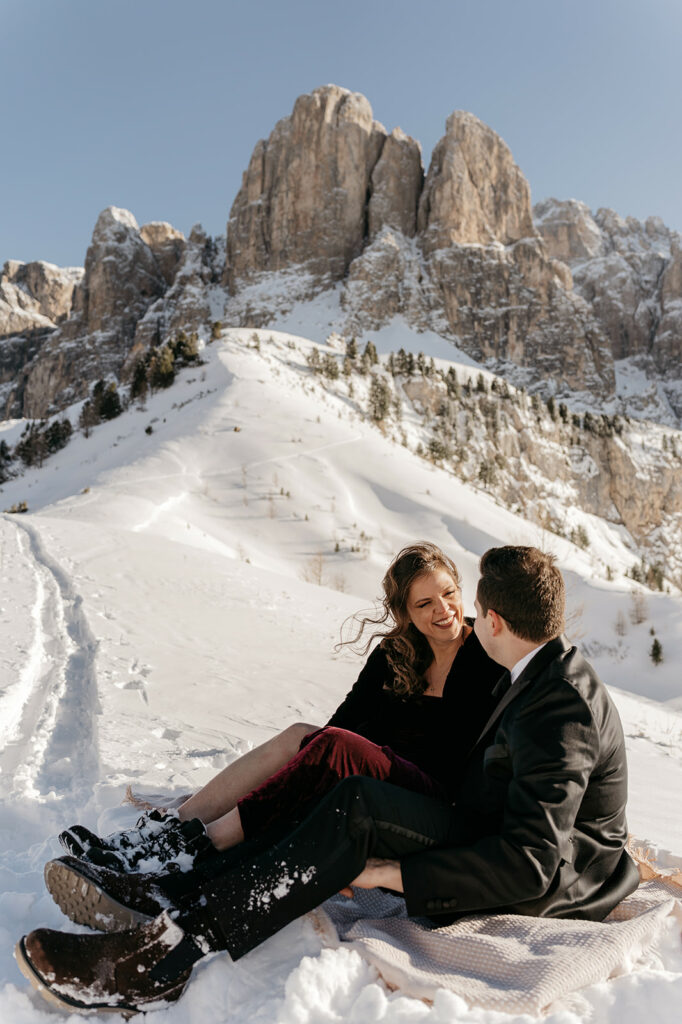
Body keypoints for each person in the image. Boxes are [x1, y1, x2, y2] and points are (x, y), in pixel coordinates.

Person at [16, 545, 640, 1015]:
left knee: (355, 809)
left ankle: (168, 954)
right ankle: (179, 897)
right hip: (482, 819)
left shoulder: (558, 705)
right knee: (349, 795)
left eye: (468, 605)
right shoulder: (534, 670)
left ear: (495, 620)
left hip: (544, 872)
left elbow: (532, 865)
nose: (458, 617)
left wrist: (392, 874)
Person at [57, 542, 500, 874]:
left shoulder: (487, 655)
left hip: (432, 805)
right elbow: (335, 728)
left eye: (448, 593)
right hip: (378, 780)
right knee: (301, 736)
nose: (443, 610)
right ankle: (169, 830)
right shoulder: (395, 654)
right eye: (425, 603)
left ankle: (194, 849)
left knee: (329, 746)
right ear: (405, 612)